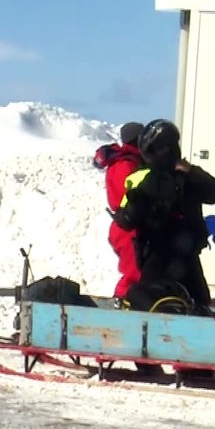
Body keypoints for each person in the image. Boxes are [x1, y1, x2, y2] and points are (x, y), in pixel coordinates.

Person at [112, 119, 215, 315]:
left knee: (193, 306)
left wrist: (191, 172)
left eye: (170, 146)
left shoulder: (185, 176)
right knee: (166, 307)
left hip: (181, 259)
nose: (168, 152)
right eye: (164, 148)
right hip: (163, 259)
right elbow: (126, 218)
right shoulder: (145, 178)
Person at [93, 122, 146, 298]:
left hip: (127, 225)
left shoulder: (125, 161)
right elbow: (130, 196)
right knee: (134, 274)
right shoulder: (125, 164)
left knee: (139, 273)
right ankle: (121, 308)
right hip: (128, 226)